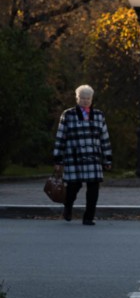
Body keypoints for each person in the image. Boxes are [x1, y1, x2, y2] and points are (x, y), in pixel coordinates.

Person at [52, 85, 112, 226]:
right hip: (74, 157)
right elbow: (60, 137)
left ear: (92, 99)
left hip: (93, 157)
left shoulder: (99, 115)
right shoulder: (68, 115)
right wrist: (57, 159)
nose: (85, 101)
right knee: (73, 187)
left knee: (93, 188)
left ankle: (88, 217)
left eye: (88, 98)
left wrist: (107, 158)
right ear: (77, 98)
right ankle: (68, 208)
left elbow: (105, 138)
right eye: (82, 98)